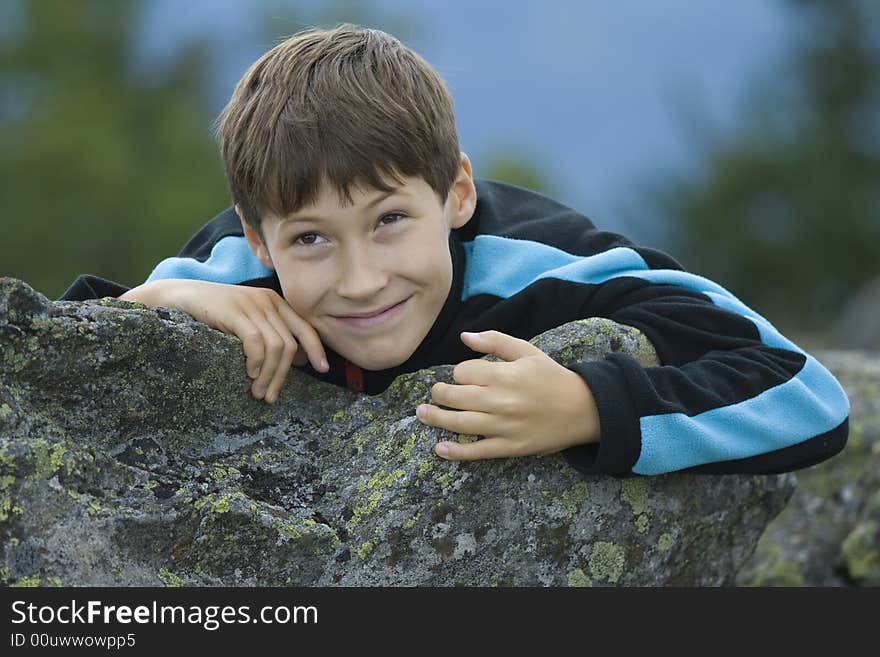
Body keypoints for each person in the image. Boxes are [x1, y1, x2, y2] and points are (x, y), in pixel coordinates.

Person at [62, 23, 849, 477]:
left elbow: (807, 397)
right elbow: (45, 354)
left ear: (457, 194)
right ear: (258, 236)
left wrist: (588, 407)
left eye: (390, 220)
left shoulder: (547, 263)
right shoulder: (234, 265)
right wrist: (165, 299)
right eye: (309, 239)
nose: (362, 279)